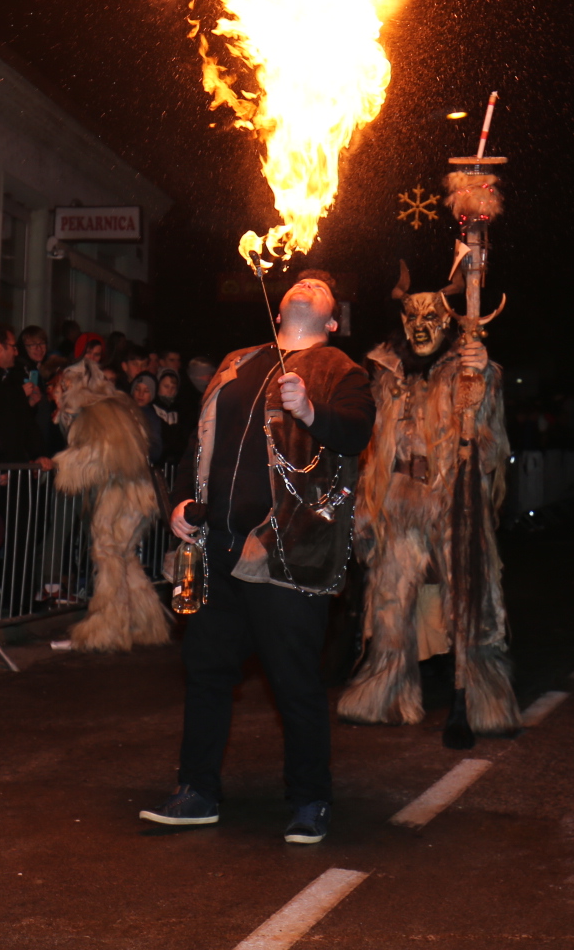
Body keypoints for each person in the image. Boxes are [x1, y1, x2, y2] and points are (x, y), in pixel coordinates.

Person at [142, 271, 373, 845]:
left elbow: (356, 433)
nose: (306, 286)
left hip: (286, 553)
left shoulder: (342, 370)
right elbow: (200, 443)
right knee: (205, 673)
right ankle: (196, 791)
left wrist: (312, 411)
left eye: (319, 289)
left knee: (294, 680)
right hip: (217, 546)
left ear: (332, 319)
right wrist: (181, 503)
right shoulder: (239, 362)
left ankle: (309, 799)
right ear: (279, 311)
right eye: (300, 283)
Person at [338, 264, 519, 748]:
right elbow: (369, 447)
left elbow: (487, 443)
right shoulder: (382, 373)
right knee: (391, 602)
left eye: (431, 318)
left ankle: (484, 700)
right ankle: (385, 693)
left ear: (449, 322)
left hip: (451, 502)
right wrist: (364, 507)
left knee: (472, 599)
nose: (420, 327)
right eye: (411, 317)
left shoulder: (467, 368)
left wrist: (478, 385)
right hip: (398, 503)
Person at [51, 360, 170, 651]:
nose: (62, 389)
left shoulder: (98, 412)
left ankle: (105, 632)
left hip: (122, 496)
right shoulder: (116, 406)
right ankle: (145, 624)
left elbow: (98, 456)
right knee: (124, 556)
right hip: (139, 494)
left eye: (65, 384)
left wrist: (62, 466)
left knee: (108, 555)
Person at [0, 326, 51, 467]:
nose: (17, 352)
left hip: (17, 467)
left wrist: (39, 454)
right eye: (13, 347)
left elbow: (26, 422)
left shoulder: (13, 379)